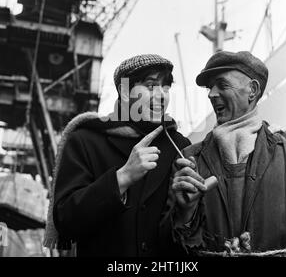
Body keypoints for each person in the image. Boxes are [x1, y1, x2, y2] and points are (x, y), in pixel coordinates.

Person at [43, 54, 191, 257]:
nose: (162, 95)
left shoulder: (179, 145)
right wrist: (122, 178)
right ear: (124, 90)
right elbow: (66, 221)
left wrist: (188, 209)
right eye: (150, 85)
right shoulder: (86, 140)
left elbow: (188, 236)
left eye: (166, 86)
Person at [171, 50, 286, 256]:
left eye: (222, 85)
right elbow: (171, 250)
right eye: (210, 87)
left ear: (252, 90)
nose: (211, 94)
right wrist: (186, 213)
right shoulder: (188, 160)